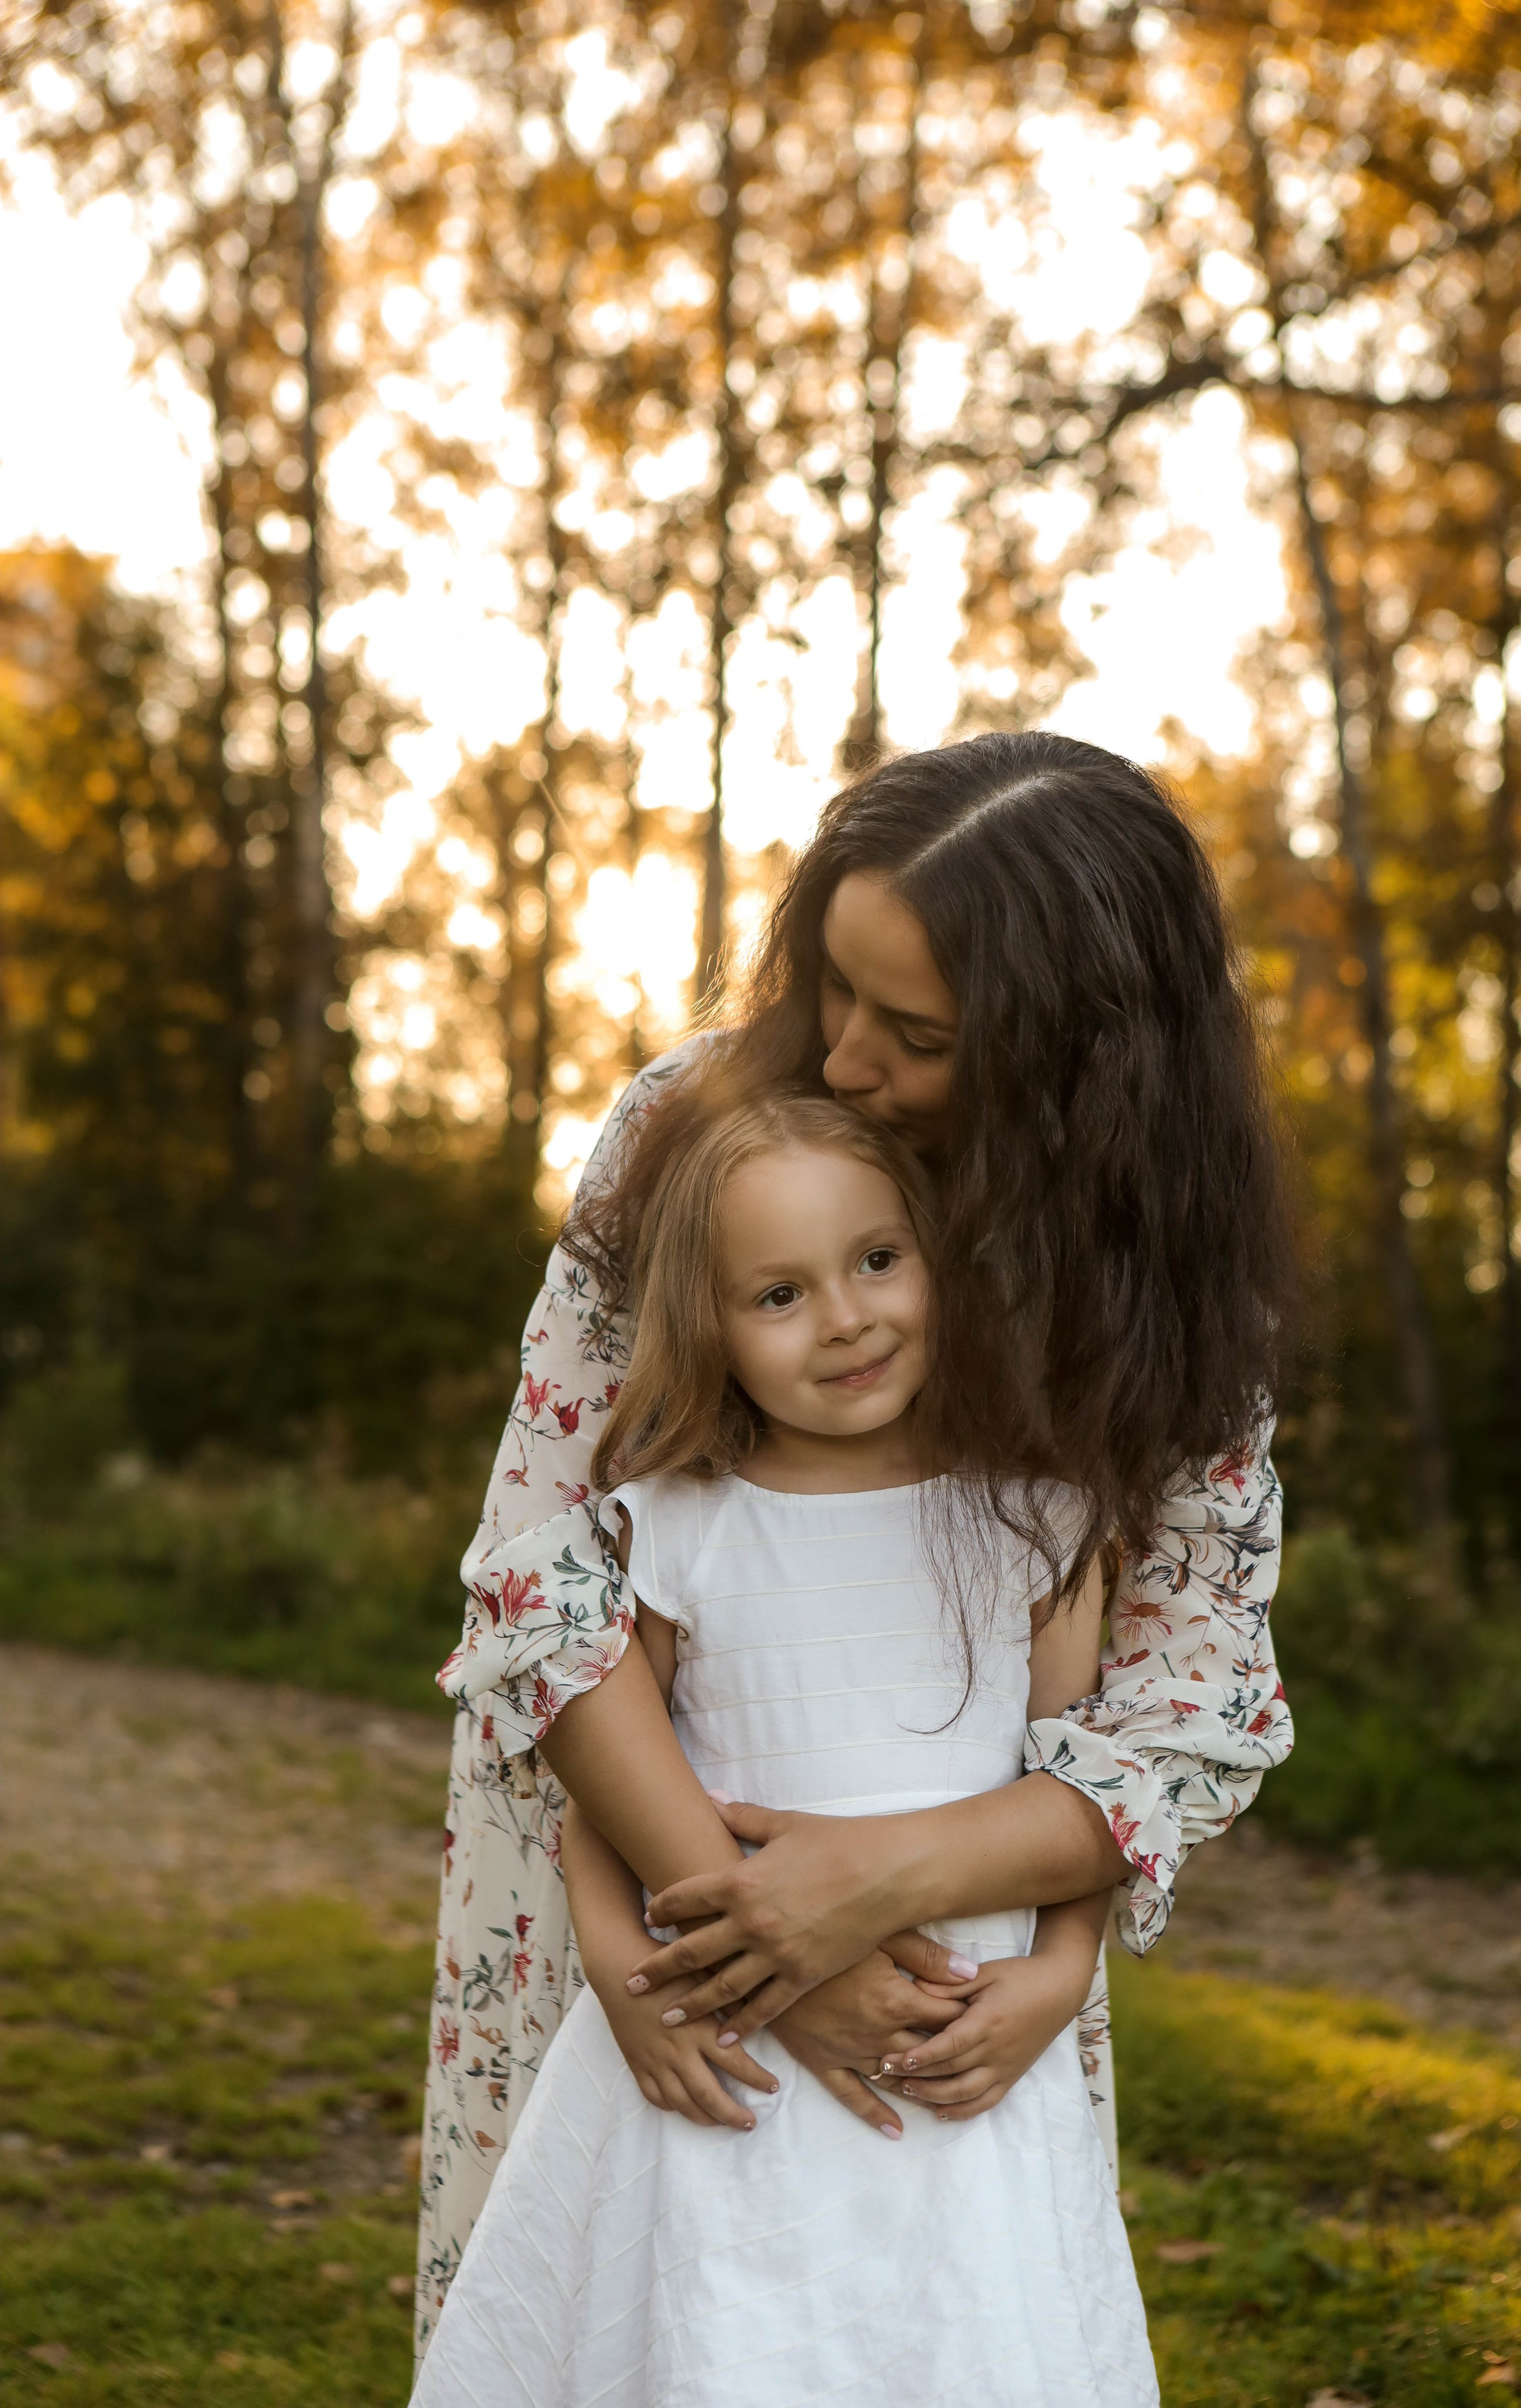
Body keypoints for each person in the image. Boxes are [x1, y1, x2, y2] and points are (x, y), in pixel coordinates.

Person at [414, 731, 1296, 2353]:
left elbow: (1190, 1708)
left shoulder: (1161, 1277)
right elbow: (547, 1578)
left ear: (1081, 1061)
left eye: (921, 1035)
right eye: (834, 985)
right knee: (634, 2331)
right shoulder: (699, 1135)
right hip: (647, 1901)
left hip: (962, 1977)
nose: (846, 1057)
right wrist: (718, 1928)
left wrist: (890, 1889)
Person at [413, 1092, 1159, 2407]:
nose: (846, 1318)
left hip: (961, 2057)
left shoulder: (1038, 1518)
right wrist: (618, 1964)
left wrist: (1057, 1975)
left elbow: (1078, 1783)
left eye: (877, 1260)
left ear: (935, 1254)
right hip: (727, 2053)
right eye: (778, 1295)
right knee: (728, 2346)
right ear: (711, 1329)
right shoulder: (673, 1525)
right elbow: (609, 1782)